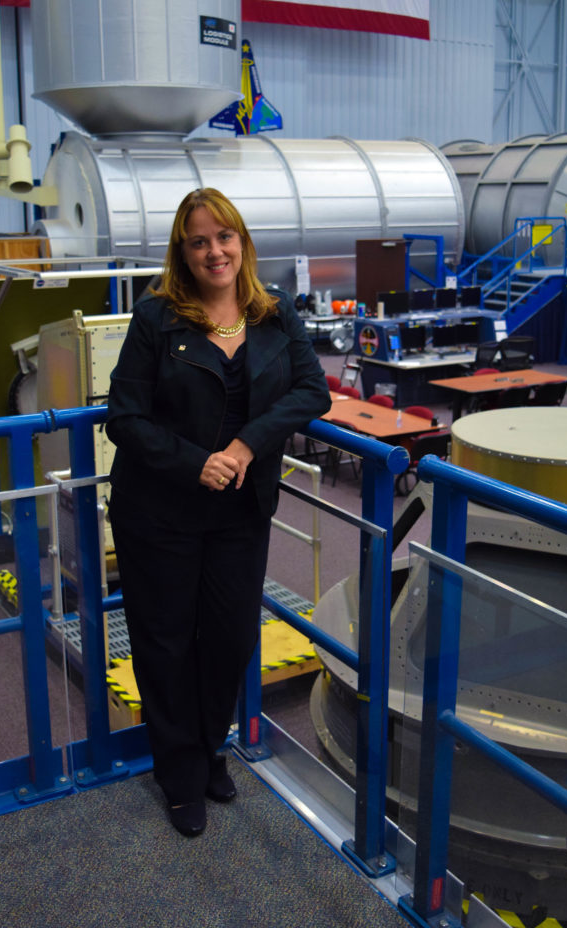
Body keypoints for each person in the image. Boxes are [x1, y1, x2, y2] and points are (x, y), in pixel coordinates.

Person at [106, 187, 330, 837]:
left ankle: (205, 749)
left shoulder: (272, 312)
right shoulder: (157, 320)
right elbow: (124, 417)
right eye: (199, 240)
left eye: (224, 237)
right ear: (183, 250)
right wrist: (190, 460)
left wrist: (241, 446)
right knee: (166, 641)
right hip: (160, 511)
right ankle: (180, 774)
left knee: (229, 640)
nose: (214, 251)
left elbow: (311, 391)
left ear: (242, 242)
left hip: (241, 510)